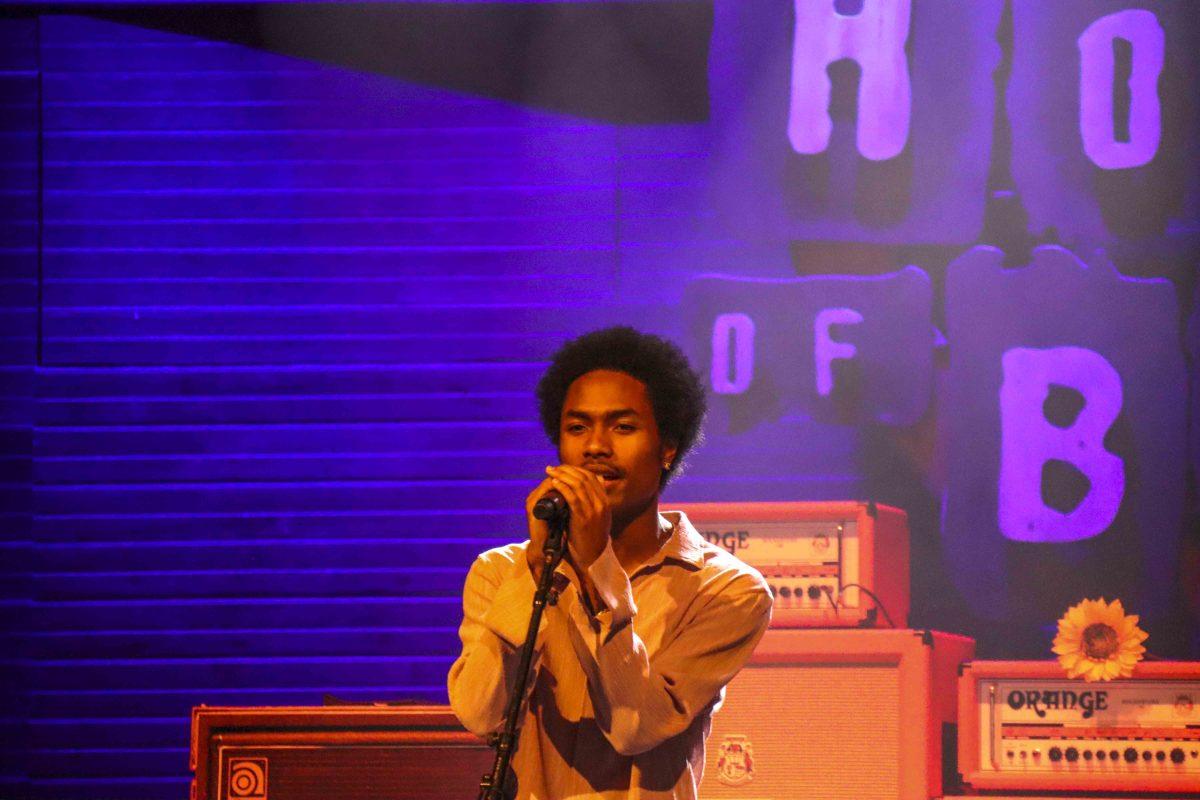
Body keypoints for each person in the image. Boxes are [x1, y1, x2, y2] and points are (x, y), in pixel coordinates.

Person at [448, 326, 773, 799]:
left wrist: (597, 564)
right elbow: (480, 714)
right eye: (577, 428)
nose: (596, 446)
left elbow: (635, 727)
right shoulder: (501, 573)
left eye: (622, 427)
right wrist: (537, 571)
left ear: (668, 447)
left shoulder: (726, 591)